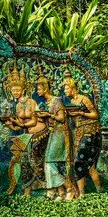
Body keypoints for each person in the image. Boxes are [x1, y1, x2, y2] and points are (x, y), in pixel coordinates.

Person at [4, 64, 48, 196]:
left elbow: (33, 121)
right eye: (13, 91)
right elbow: (21, 125)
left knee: (36, 161)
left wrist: (20, 125)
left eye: (18, 90)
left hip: (41, 134)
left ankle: (48, 189)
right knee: (24, 161)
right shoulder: (17, 106)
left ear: (23, 90)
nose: (15, 93)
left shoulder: (31, 102)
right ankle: (27, 192)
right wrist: (11, 126)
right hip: (29, 135)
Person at [36, 70, 74, 200]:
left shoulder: (56, 100)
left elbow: (62, 118)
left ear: (45, 88)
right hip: (53, 132)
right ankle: (61, 192)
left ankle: (69, 188)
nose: (38, 92)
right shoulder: (46, 103)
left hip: (60, 132)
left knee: (50, 161)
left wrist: (48, 115)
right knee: (50, 162)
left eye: (39, 89)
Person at [64, 69, 102, 197]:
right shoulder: (69, 103)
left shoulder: (83, 99)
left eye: (66, 88)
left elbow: (95, 115)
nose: (65, 91)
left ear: (73, 88)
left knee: (81, 163)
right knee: (85, 165)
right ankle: (84, 193)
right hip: (79, 133)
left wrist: (81, 113)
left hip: (90, 133)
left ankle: (95, 192)